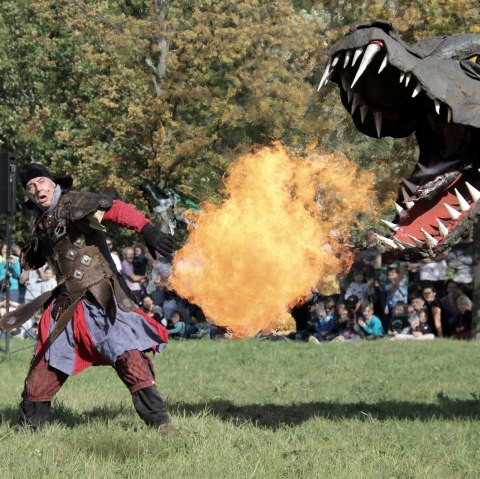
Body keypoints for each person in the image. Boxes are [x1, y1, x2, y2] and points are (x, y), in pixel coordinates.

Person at [0, 163, 178, 431]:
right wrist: (31, 253)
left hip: (102, 298)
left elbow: (114, 208)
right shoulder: (43, 222)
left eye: (41, 182)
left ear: (53, 183)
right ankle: (27, 428)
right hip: (67, 305)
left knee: (128, 356)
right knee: (46, 362)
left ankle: (159, 421)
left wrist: (147, 229)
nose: (37, 190)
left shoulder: (75, 203)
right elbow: (36, 256)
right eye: (30, 187)